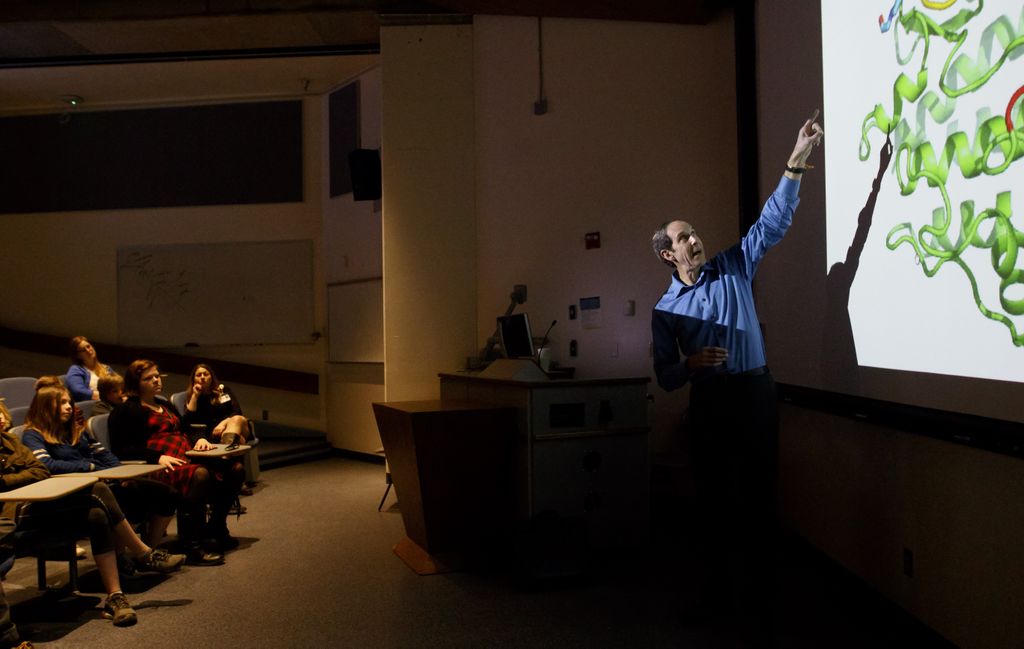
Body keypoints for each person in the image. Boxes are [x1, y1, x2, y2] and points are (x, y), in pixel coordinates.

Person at [651, 112, 823, 645]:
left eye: (695, 232)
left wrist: (795, 161)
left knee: (758, 500)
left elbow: (771, 223)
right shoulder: (665, 309)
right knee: (715, 505)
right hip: (711, 404)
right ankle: (716, 599)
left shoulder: (733, 266)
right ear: (668, 254)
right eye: (684, 237)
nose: (695, 239)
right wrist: (690, 366)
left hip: (754, 394)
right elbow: (664, 375)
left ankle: (761, 606)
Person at [1, 407, 184, 627]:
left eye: (1, 413)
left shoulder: (11, 441)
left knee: (96, 513)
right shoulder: (32, 435)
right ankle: (143, 553)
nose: (1, 418)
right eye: (61, 403)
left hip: (40, 501)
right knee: (100, 491)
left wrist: (8, 479)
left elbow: (38, 471)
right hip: (17, 511)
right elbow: (45, 468)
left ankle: (115, 596)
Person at [20, 384, 183, 559]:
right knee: (130, 497)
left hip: (101, 482)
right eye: (61, 403)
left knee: (167, 493)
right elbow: (47, 465)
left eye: (69, 402)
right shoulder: (33, 435)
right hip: (71, 494)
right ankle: (135, 557)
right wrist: (90, 468)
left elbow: (105, 455)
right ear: (45, 407)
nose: (69, 407)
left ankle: (147, 552)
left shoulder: (76, 431)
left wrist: (120, 474)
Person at [108, 360, 233, 565]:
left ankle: (214, 531)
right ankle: (192, 546)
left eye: (157, 375)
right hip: (154, 466)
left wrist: (198, 439)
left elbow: (182, 429)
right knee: (200, 475)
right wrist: (156, 457)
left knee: (232, 469)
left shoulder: (163, 404)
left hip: (182, 456)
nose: (156, 380)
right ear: (136, 382)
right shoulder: (127, 409)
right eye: (149, 378)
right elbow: (122, 448)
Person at [182, 364, 249, 446]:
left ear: (211, 377)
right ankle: (226, 454)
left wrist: (223, 423)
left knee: (238, 419)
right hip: (211, 434)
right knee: (239, 440)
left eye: (206, 374)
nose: (202, 377)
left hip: (233, 425)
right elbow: (188, 421)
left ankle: (225, 453)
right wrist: (195, 395)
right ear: (194, 379)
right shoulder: (192, 397)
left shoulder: (223, 391)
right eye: (198, 375)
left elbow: (237, 411)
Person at [65, 336, 115, 402]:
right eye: (83, 350)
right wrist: (103, 396)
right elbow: (77, 390)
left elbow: (118, 384)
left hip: (111, 402)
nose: (88, 350)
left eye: (88, 346)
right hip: (93, 406)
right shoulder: (76, 369)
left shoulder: (106, 368)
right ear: (78, 355)